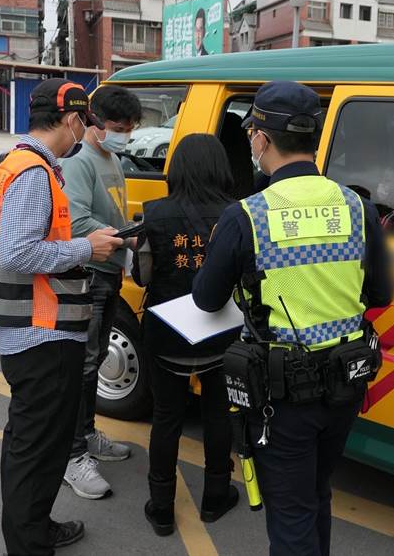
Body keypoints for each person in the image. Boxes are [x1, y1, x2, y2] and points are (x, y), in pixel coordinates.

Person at [192, 81, 393, 555]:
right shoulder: (357, 207)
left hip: (282, 397)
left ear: (261, 137)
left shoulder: (247, 216)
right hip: (345, 384)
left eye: (251, 134)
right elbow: (381, 291)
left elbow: (205, 298)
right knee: (316, 494)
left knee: (291, 514)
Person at [0, 78, 123, 555]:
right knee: (35, 447)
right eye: (83, 123)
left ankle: (35, 528)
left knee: (36, 443)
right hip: (38, 335)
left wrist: (83, 245)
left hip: (39, 330)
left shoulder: (28, 165)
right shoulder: (31, 172)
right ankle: (28, 543)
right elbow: (18, 253)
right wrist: (90, 246)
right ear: (71, 121)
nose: (83, 132)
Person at [132, 133, 241, 537]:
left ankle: (161, 508)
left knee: (166, 419)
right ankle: (215, 496)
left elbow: (141, 274)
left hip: (167, 338)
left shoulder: (153, 214)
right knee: (217, 414)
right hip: (221, 335)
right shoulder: (237, 214)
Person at [58, 84, 142, 500]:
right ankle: (72, 456)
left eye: (129, 128)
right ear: (92, 121)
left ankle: (87, 435)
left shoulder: (111, 158)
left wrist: (127, 240)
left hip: (107, 274)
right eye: (117, 127)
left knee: (94, 362)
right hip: (88, 276)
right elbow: (76, 223)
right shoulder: (80, 163)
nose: (123, 133)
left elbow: (111, 213)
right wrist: (124, 240)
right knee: (84, 365)